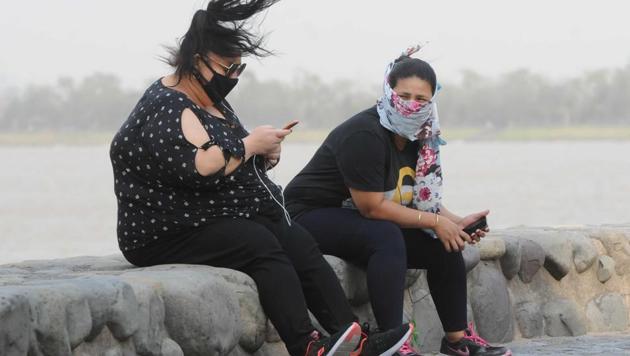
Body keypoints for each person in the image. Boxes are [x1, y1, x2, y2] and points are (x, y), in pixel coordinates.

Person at [109, 1, 413, 355]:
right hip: (163, 229)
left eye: (240, 68)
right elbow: (203, 166)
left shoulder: (209, 99)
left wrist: (263, 154)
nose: (233, 76)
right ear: (196, 59)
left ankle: (354, 337)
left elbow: (229, 160)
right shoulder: (168, 106)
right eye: (228, 67)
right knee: (257, 243)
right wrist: (250, 144)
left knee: (295, 239)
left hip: (201, 213)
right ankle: (304, 345)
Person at [285, 45, 512, 356]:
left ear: (432, 101)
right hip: (308, 216)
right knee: (387, 235)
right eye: (403, 96)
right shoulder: (364, 134)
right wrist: (435, 222)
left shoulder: (420, 136)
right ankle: (394, 343)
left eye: (420, 99)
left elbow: (414, 198)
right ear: (388, 92)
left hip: (354, 216)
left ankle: (457, 341)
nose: (411, 105)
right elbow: (372, 207)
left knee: (440, 243)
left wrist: (454, 223)